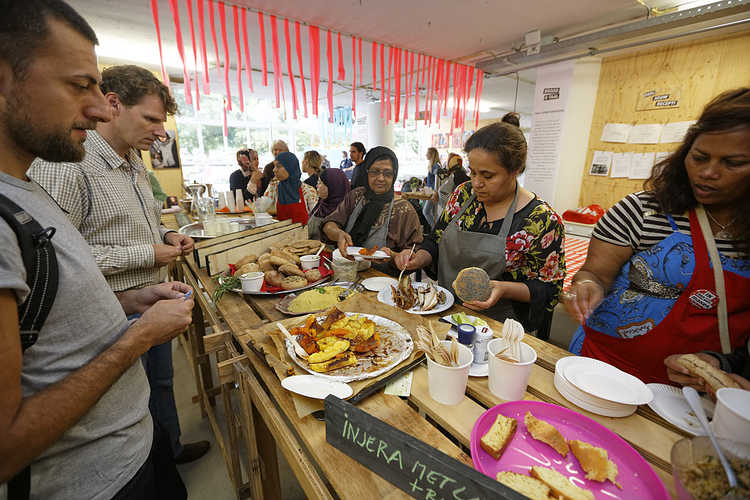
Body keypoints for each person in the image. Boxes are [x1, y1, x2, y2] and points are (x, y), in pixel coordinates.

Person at [0, 2, 194, 498]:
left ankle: (168, 444)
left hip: (128, 442)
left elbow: (59, 282)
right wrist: (135, 334)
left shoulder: (33, 187)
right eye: (77, 85)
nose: (96, 108)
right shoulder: (60, 171)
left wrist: (130, 301)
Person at [30, 64, 209, 465]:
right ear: (113, 105)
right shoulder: (68, 165)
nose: (159, 132)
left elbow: (143, 221)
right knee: (127, 406)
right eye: (150, 119)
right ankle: (149, 470)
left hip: (153, 302)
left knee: (161, 384)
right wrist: (147, 254)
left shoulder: (133, 161)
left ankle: (171, 452)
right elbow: (56, 259)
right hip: (111, 314)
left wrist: (165, 237)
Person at [563, 88, 750, 385]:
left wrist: (722, 363)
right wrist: (586, 285)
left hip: (694, 391)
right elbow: (594, 273)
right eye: (699, 158)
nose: (709, 172)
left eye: (733, 163)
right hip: (605, 364)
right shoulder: (643, 210)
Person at [393, 123, 565, 332]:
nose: (476, 183)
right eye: (472, 172)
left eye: (487, 175)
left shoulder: (541, 221)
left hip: (496, 327)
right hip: (443, 311)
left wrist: (502, 288)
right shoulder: (462, 195)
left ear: (515, 170)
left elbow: (549, 289)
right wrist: (420, 257)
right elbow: (436, 240)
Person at [322, 146, 423, 272]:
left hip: (385, 280)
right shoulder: (356, 196)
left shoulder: (404, 210)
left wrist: (395, 256)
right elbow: (329, 224)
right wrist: (339, 234)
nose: (380, 178)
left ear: (394, 175)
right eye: (375, 172)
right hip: (349, 273)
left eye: (387, 173)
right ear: (367, 172)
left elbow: (416, 255)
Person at [263, 152, 318, 224]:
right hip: (280, 233)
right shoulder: (273, 188)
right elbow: (264, 211)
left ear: (290, 168)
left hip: (304, 234)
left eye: (278, 166)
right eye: (274, 166)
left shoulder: (308, 191)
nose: (274, 170)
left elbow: (315, 220)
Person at [308, 167, 350, 240]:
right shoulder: (321, 204)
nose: (317, 186)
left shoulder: (342, 212)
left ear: (332, 186)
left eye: (320, 183)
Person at [423, 147, 441, 229]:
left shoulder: (435, 166)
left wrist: (434, 192)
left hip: (433, 193)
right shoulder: (433, 165)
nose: (426, 154)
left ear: (431, 154)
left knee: (426, 211)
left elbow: (437, 181)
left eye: (427, 153)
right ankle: (436, 230)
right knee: (433, 213)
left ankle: (435, 230)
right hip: (431, 192)